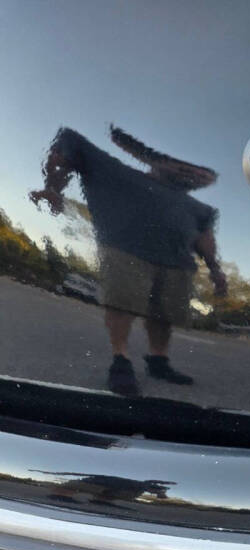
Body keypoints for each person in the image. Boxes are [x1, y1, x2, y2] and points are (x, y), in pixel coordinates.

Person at [30, 126, 227, 396]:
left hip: (177, 261)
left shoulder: (200, 208)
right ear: (159, 162)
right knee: (123, 303)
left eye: (202, 178)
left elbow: (204, 237)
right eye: (188, 168)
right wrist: (52, 188)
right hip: (127, 249)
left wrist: (215, 269)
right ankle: (120, 359)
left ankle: (159, 361)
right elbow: (68, 144)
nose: (194, 176)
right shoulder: (120, 173)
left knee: (164, 315)